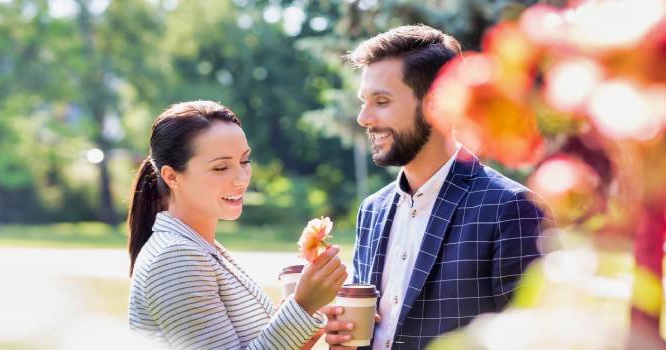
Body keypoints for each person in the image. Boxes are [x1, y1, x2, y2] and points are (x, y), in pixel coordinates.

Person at [322, 25, 552, 349]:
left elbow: (537, 339)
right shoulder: (371, 211)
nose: (363, 118)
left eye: (382, 101)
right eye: (364, 101)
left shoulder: (513, 208)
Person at [127, 101, 347, 349]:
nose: (241, 180)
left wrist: (305, 322)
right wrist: (302, 306)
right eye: (221, 167)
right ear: (172, 176)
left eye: (244, 161)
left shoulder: (203, 249)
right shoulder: (175, 257)